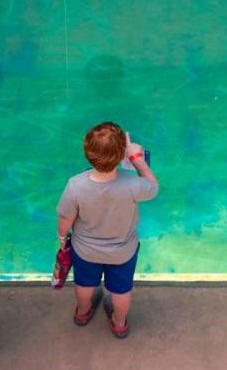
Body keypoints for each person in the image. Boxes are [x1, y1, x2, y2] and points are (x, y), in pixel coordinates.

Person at [56, 122, 158, 338]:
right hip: (123, 252)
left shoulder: (75, 185)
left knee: (84, 284)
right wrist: (137, 160)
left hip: (85, 251)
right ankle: (119, 323)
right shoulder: (133, 185)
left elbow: (65, 218)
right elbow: (153, 187)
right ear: (122, 155)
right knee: (121, 291)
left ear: (87, 153)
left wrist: (62, 237)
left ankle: (83, 312)